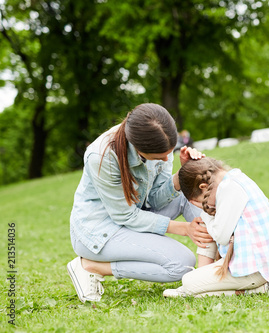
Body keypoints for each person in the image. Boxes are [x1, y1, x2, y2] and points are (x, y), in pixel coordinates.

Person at [67, 103, 213, 303]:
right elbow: (125, 215)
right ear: (138, 148)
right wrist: (184, 228)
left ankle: (217, 264)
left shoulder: (159, 140)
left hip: (137, 215)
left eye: (168, 154)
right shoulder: (102, 156)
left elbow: (153, 199)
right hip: (101, 231)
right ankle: (89, 266)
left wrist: (182, 176)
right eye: (158, 158)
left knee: (192, 188)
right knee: (182, 265)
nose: (164, 160)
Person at [163, 157, 269, 298]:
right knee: (194, 281)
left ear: (203, 187)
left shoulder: (230, 189)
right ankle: (209, 285)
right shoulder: (234, 179)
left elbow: (220, 236)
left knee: (188, 281)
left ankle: (257, 289)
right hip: (259, 266)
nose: (205, 206)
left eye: (201, 202)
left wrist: (205, 212)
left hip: (254, 271)